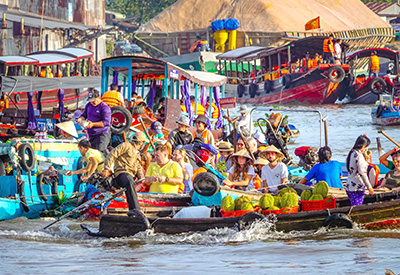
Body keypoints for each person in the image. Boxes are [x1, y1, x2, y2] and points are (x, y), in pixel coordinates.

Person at [101, 132, 146, 213]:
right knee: (129, 180)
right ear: (141, 142)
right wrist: (107, 168)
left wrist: (141, 176)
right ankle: (136, 209)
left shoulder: (137, 153)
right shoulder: (126, 146)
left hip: (130, 176)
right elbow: (112, 155)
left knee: (130, 182)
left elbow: (138, 166)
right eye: (143, 142)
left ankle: (134, 209)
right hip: (121, 174)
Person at [344, 135, 374, 206]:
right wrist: (369, 187)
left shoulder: (352, 153)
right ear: (363, 146)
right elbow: (362, 173)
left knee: (353, 205)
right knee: (357, 208)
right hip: (357, 187)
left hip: (349, 185)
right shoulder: (359, 156)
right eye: (366, 147)